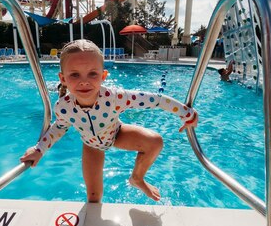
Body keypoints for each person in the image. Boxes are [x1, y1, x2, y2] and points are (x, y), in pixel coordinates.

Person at [20, 39, 199, 203]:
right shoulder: (64, 107)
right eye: (75, 75)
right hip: (92, 146)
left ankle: (137, 178)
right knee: (93, 197)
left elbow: (156, 100)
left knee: (155, 142)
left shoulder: (115, 97)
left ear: (103, 76)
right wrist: (39, 150)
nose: (84, 82)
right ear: (63, 79)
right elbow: (58, 128)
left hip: (117, 134)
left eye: (92, 74)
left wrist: (186, 113)